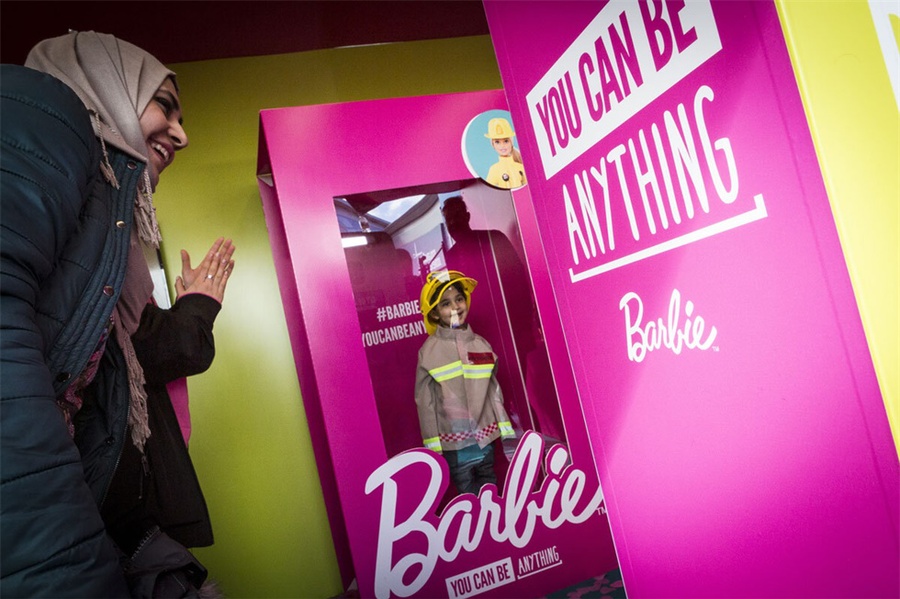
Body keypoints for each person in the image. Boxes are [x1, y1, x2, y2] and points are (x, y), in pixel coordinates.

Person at [1, 31, 234, 597]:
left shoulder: (108, 218)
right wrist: (198, 308)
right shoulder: (46, 126)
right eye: (165, 107)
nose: (182, 134)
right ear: (104, 85)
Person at [414, 270, 516, 495]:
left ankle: (491, 517)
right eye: (445, 303)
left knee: (489, 488)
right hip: (455, 446)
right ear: (434, 313)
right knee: (467, 495)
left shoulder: (480, 344)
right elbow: (425, 403)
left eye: (459, 299)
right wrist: (434, 446)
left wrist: (505, 428)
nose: (455, 307)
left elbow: (493, 390)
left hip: (485, 438)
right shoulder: (429, 353)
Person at [484, 117, 527, 189]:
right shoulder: (494, 169)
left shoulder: (521, 167)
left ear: (511, 142)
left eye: (506, 141)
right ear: (493, 145)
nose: (502, 146)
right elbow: (487, 189)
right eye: (497, 142)